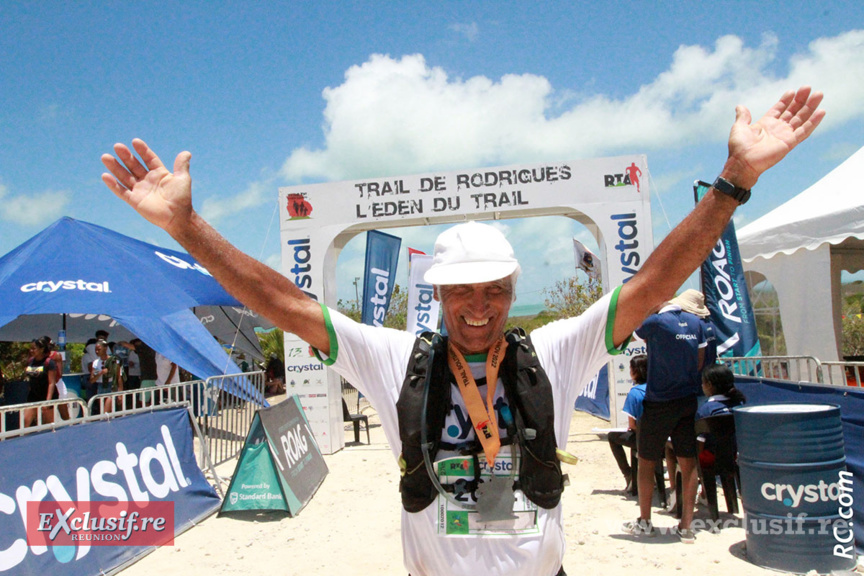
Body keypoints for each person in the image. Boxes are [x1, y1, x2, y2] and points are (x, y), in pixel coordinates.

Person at [102, 87, 823, 573]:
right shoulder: (394, 359)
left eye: (495, 290)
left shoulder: (555, 352)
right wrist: (188, 229)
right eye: (461, 293)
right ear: (437, 294)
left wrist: (734, 180)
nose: (478, 306)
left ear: (513, 290)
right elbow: (281, 302)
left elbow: (652, 284)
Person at [630, 290, 711, 542]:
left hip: (658, 401)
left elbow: (634, 334)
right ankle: (686, 527)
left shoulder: (655, 322)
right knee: (688, 463)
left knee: (647, 461)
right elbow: (699, 362)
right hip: (686, 400)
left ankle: (645, 521)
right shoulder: (697, 323)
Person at [608, 354, 648, 493]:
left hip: (644, 440)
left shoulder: (635, 393)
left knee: (612, 436)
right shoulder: (660, 389)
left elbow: (633, 425)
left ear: (635, 371)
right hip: (663, 440)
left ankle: (629, 474)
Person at [23, 336, 60, 427]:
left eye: (34, 349)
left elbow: (51, 383)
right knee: (25, 420)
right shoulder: (30, 361)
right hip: (34, 395)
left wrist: (48, 401)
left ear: (41, 349)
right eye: (30, 348)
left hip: (47, 395)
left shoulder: (49, 362)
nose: (31, 351)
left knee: (48, 424)